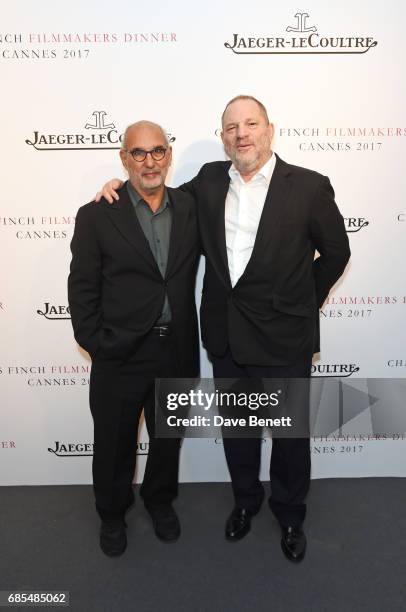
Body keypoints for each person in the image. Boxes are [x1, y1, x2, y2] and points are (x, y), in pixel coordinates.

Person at [95, 96, 351, 561]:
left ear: (269, 129)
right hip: (228, 338)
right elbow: (154, 195)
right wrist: (118, 184)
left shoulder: (310, 187)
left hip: (284, 338)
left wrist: (302, 301)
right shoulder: (209, 183)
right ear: (223, 137)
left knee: (290, 437)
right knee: (239, 431)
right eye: (232, 127)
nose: (242, 134)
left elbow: (336, 253)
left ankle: (291, 514)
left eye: (251, 124)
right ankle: (245, 501)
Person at [68, 121, 200, 556]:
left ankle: (160, 502)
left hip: (176, 348)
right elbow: (82, 287)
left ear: (169, 155)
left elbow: (231, 174)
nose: (150, 161)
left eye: (158, 151)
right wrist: (97, 342)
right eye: (138, 153)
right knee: (113, 442)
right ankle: (111, 514)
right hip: (120, 352)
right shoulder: (96, 214)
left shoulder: (191, 206)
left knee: (167, 439)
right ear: (124, 159)